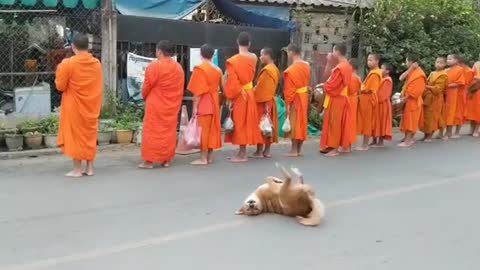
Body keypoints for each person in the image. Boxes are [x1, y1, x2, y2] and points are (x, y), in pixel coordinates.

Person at [55, 34, 103, 177]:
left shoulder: (68, 64)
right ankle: (89, 168)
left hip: (74, 105)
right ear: (88, 47)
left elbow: (60, 86)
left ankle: (77, 169)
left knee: (76, 135)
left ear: (72, 47)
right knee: (89, 135)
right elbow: (97, 85)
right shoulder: (96, 64)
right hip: (91, 105)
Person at [139, 40, 185, 169]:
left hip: (155, 104)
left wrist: (144, 96)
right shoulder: (178, 68)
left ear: (159, 51)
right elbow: (180, 88)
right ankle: (166, 160)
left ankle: (149, 161)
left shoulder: (155, 66)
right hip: (171, 105)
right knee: (169, 131)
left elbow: (146, 87)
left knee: (152, 132)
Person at [223, 32, 262, 162]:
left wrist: (230, 94)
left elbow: (232, 81)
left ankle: (243, 154)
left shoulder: (233, 61)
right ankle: (241, 152)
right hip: (249, 92)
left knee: (240, 122)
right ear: (249, 44)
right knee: (246, 122)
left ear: (237, 42)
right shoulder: (254, 57)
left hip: (240, 94)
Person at [187, 44, 222, 165]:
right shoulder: (218, 70)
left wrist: (195, 108)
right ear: (213, 55)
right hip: (214, 101)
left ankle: (203, 158)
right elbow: (221, 87)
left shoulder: (200, 68)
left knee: (203, 131)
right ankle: (210, 156)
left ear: (201, 54)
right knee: (212, 130)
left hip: (204, 102)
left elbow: (198, 92)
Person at [319, 44, 353, 157]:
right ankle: (331, 146)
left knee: (334, 124)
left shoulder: (340, 68)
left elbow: (332, 85)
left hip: (336, 98)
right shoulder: (347, 66)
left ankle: (333, 149)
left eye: (333, 51)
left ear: (337, 52)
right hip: (341, 97)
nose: (332, 54)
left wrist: (324, 86)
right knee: (336, 123)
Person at [252, 47, 280, 158]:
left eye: (262, 55)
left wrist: (253, 91)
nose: (260, 57)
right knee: (268, 125)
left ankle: (259, 151)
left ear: (268, 55)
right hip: (270, 102)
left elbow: (260, 89)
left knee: (262, 125)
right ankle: (267, 151)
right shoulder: (275, 69)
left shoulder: (267, 70)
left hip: (263, 102)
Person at [283, 44, 310, 157]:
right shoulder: (306, 65)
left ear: (291, 52)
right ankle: (299, 149)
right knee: (302, 122)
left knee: (294, 122)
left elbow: (289, 89)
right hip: (304, 96)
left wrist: (288, 102)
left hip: (295, 97)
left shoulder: (291, 69)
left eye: (288, 52)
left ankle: (293, 150)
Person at [398, 54, 427, 148]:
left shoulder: (419, 74)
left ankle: (408, 141)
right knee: (407, 120)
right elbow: (401, 78)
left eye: (406, 61)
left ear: (411, 62)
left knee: (411, 121)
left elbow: (416, 92)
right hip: (408, 100)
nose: (405, 63)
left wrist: (403, 99)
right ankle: (407, 138)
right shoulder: (411, 72)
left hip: (413, 101)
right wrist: (410, 69)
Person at [356, 53, 382, 151]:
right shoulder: (373, 72)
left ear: (377, 61)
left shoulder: (375, 73)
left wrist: (360, 88)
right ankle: (365, 143)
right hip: (366, 98)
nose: (369, 62)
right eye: (368, 60)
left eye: (371, 60)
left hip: (368, 98)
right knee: (366, 120)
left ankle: (365, 144)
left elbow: (369, 89)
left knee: (367, 121)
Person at [421, 57, 448, 141]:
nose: (438, 64)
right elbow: (426, 82)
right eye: (437, 62)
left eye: (441, 63)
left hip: (436, 98)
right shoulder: (432, 73)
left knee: (433, 117)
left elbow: (438, 89)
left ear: (445, 64)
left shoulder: (444, 74)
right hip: (428, 98)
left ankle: (430, 136)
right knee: (426, 116)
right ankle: (426, 134)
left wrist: (427, 87)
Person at [372, 63, 393, 147]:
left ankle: (380, 142)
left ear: (387, 71)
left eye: (382, 68)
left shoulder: (388, 80)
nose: (381, 70)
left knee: (381, 121)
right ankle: (374, 140)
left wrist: (375, 97)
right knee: (375, 121)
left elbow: (383, 95)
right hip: (377, 103)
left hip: (383, 104)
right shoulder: (381, 78)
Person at [445, 54, 465, 139]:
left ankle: (456, 132)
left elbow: (460, 82)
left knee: (457, 113)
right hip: (448, 94)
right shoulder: (446, 70)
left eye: (450, 59)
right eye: (447, 59)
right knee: (448, 113)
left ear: (456, 60)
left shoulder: (460, 69)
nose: (448, 60)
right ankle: (448, 131)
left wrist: (447, 85)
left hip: (457, 94)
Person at [347, 58, 362, 149]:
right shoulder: (358, 78)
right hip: (355, 100)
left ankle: (347, 144)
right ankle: (349, 143)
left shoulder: (350, 77)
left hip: (348, 99)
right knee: (352, 121)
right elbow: (360, 91)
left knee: (347, 121)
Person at [465, 62, 480, 136]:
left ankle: (477, 129)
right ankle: (472, 128)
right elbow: (471, 74)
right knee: (472, 110)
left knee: (478, 111)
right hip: (475, 90)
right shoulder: (477, 64)